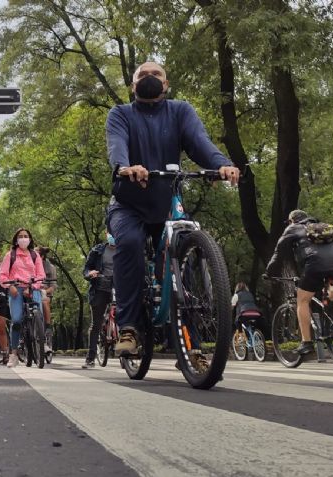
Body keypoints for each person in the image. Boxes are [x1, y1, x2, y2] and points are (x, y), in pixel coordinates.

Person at [106, 61, 240, 358]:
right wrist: (126, 167)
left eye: (157, 75)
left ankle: (188, 338)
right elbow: (117, 146)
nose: (150, 78)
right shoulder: (120, 114)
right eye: (143, 75)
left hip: (167, 204)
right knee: (129, 243)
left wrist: (221, 165)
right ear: (133, 85)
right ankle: (128, 327)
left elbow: (199, 142)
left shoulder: (180, 110)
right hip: (128, 205)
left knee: (185, 249)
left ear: (166, 85)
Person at [265, 209, 333, 355]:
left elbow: (279, 253)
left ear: (292, 220)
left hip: (315, 264)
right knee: (330, 284)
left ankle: (306, 342)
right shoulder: (321, 226)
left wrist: (269, 272)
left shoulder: (293, 228)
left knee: (302, 300)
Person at [0, 228, 46, 368]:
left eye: (26, 236)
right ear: (16, 239)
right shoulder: (10, 255)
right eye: (20, 236)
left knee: (39, 315)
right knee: (17, 320)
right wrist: (10, 286)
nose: (23, 238)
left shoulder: (35, 255)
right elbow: (2, 275)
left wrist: (32, 286)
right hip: (15, 289)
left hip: (32, 287)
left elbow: (41, 274)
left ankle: (40, 342)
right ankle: (14, 353)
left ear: (30, 239)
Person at [81, 232, 117, 369]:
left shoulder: (125, 249)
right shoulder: (98, 250)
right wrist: (89, 273)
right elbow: (86, 268)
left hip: (119, 288)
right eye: (111, 233)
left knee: (126, 317)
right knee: (96, 324)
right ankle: (90, 359)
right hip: (99, 289)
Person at [37, 247, 57, 354]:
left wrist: (45, 291)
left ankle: (47, 328)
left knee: (45, 301)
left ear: (42, 257)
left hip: (46, 293)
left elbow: (53, 285)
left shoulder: (51, 268)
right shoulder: (29, 265)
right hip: (31, 292)